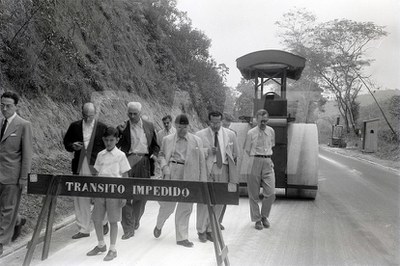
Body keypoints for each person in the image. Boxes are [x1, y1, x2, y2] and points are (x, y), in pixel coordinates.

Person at [153, 114, 206, 248]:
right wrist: (164, 167)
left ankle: (182, 237)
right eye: (179, 127)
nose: (182, 130)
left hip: (189, 174)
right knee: (167, 206)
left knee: (186, 206)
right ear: (175, 126)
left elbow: (201, 162)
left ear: (188, 126)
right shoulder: (167, 139)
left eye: (185, 127)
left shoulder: (196, 141)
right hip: (172, 171)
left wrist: (201, 182)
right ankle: (159, 224)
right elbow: (161, 155)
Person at [63, 102, 109, 239]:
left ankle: (104, 221)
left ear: (95, 114)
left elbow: (109, 146)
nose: (88, 118)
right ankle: (83, 229)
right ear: (82, 114)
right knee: (80, 196)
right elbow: (66, 143)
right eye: (86, 115)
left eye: (91, 115)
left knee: (99, 196)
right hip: (80, 164)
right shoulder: (74, 126)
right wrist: (73, 146)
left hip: (96, 165)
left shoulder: (102, 128)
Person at [86, 127, 131, 261]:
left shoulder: (121, 155)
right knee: (96, 218)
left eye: (112, 140)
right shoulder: (100, 155)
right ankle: (101, 244)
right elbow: (96, 174)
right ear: (103, 140)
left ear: (117, 140)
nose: (109, 143)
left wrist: (124, 195)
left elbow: (125, 175)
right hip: (100, 190)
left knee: (113, 220)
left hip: (115, 191)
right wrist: (93, 193)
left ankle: (112, 249)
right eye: (106, 140)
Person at [117, 102, 159, 239]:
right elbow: (114, 142)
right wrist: (119, 131)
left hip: (144, 161)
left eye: (135, 113)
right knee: (125, 194)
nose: (132, 116)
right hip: (128, 160)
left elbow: (155, 145)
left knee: (142, 195)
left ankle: (135, 219)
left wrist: (154, 155)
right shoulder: (123, 126)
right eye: (130, 113)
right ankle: (128, 228)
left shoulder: (149, 126)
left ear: (140, 113)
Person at [195, 111, 239, 242]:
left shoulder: (230, 135)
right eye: (213, 123)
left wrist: (233, 173)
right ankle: (201, 230)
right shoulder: (199, 135)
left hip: (223, 168)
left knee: (220, 200)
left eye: (218, 122)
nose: (216, 125)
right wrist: (208, 151)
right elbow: (195, 153)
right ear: (208, 122)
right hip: (207, 169)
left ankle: (211, 229)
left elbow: (235, 154)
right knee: (204, 200)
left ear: (222, 121)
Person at [0, 92, 33, 255]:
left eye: (8, 106)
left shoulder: (23, 125)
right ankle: (18, 220)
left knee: (7, 208)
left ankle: (0, 242)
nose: (4, 109)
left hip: (12, 176)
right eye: (2, 105)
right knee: (5, 210)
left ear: (16, 107)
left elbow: (27, 154)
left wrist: (23, 177)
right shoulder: (0, 124)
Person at [242, 109, 275, 230]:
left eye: (265, 121)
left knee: (271, 193)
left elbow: (272, 144)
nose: (263, 123)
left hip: (267, 161)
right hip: (254, 161)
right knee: (253, 193)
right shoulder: (251, 133)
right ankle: (257, 220)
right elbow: (246, 149)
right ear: (256, 119)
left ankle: (264, 216)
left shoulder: (271, 131)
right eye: (261, 121)